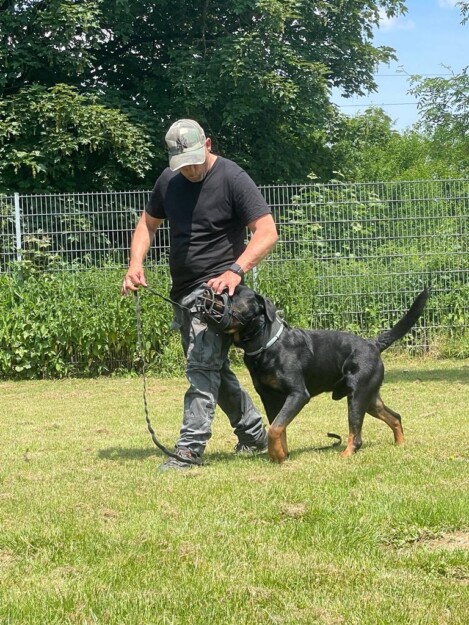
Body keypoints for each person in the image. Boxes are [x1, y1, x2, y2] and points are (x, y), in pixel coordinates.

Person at [122, 119, 278, 471]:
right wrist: (135, 263)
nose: (190, 170)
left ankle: (189, 451)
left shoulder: (233, 177)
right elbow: (147, 224)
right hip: (181, 292)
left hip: (216, 295)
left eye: (195, 160)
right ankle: (254, 434)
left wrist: (235, 270)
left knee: (201, 368)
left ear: (207, 144)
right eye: (182, 164)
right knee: (213, 370)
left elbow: (267, 232)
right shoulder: (169, 180)